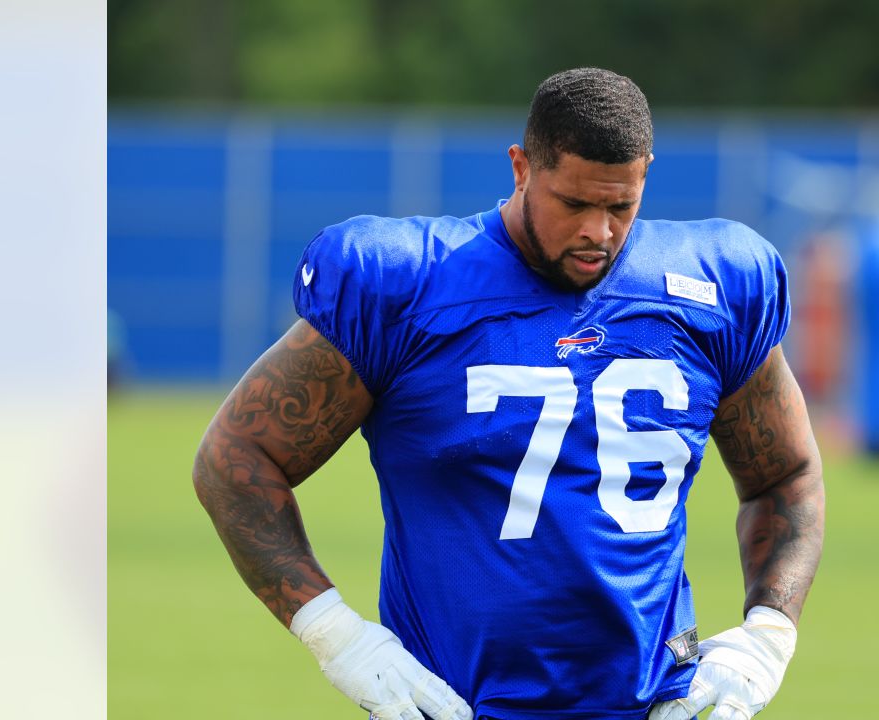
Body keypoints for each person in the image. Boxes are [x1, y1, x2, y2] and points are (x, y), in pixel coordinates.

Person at [194, 67, 825, 720]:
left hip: (655, 704)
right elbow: (235, 458)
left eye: (620, 206)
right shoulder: (409, 284)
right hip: (457, 705)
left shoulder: (715, 285)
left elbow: (788, 472)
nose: (598, 233)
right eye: (574, 203)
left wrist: (768, 635)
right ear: (521, 167)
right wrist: (336, 636)